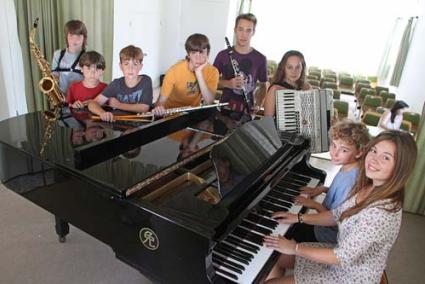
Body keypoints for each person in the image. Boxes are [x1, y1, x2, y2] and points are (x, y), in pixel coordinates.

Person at [263, 130, 417, 284]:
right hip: (340, 256)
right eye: (374, 150)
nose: (373, 160)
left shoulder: (381, 214)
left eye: (386, 157)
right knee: (273, 255)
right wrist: (299, 217)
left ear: (400, 168)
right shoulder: (369, 187)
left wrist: (295, 248)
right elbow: (336, 214)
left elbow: (342, 257)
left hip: (351, 275)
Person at [292, 120, 370, 244]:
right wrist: (323, 189)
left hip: (328, 235)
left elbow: (335, 220)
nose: (335, 153)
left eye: (344, 150)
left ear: (359, 152)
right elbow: (342, 195)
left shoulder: (350, 181)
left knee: (288, 233)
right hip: (325, 227)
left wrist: (313, 204)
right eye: (334, 145)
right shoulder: (350, 167)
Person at [152, 33, 219, 116]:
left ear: (207, 53)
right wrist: (159, 109)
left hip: (191, 113)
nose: (198, 57)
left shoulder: (213, 72)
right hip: (170, 113)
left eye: (201, 52)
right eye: (194, 53)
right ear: (188, 54)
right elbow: (160, 102)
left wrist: (198, 73)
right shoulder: (174, 70)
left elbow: (209, 101)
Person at [213, 13, 268, 113]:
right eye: (240, 29)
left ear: (253, 32)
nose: (244, 35)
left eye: (248, 30)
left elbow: (264, 85)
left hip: (247, 112)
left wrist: (259, 104)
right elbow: (210, 82)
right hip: (224, 111)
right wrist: (228, 84)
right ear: (235, 30)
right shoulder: (222, 55)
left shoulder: (260, 58)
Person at [88, 45, 153, 122]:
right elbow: (93, 103)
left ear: (140, 66)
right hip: (119, 126)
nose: (130, 68)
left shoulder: (146, 81)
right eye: (126, 64)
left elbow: (144, 108)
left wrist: (118, 105)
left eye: (135, 64)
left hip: (140, 125)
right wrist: (102, 113)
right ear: (121, 66)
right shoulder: (116, 84)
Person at [264, 50, 311, 117]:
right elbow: (267, 122)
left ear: (302, 68)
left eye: (297, 67)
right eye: (289, 67)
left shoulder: (306, 87)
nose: (294, 71)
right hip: (277, 127)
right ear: (284, 68)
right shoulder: (275, 89)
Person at [52, 20, 87, 93]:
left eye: (78, 36)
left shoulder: (88, 56)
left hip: (80, 96)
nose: (75, 40)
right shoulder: (58, 54)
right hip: (61, 96)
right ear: (66, 37)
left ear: (84, 38)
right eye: (71, 36)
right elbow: (55, 74)